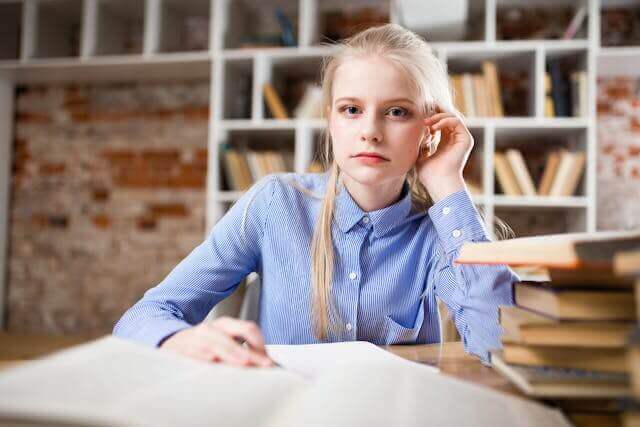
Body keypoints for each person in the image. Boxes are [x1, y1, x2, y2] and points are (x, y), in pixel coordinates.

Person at [113, 23, 518, 368]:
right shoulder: (275, 204)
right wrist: (181, 341)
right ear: (330, 120)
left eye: (397, 112)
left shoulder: (438, 233)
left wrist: (448, 183)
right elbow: (144, 316)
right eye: (351, 109)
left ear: (429, 128)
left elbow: (499, 346)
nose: (371, 131)